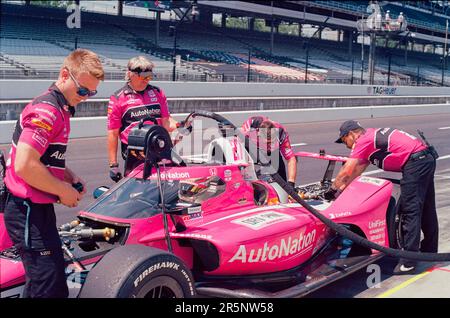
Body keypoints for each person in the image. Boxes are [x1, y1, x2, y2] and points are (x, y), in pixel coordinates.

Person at [3, 49, 104, 297]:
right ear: (64, 75)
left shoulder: (60, 107)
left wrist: (67, 175)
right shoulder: (48, 111)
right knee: (47, 285)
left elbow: (42, 157)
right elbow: (25, 165)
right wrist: (64, 191)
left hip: (36, 209)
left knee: (52, 282)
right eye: (82, 90)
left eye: (92, 92)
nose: (86, 97)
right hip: (26, 209)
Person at [326, 120, 438, 275]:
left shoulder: (363, 140)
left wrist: (332, 190)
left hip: (415, 163)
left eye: (344, 140)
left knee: (410, 211)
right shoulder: (371, 138)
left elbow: (346, 171)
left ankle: (409, 261)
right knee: (426, 207)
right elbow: (356, 171)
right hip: (424, 159)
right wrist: (341, 191)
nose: (346, 145)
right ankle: (430, 251)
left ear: (352, 134)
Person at [107, 56, 181, 182]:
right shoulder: (118, 98)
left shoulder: (158, 93)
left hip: (159, 147)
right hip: (135, 153)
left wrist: (180, 127)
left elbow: (166, 122)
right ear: (131, 74)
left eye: (150, 76)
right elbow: (113, 133)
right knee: (140, 188)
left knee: (171, 184)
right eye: (144, 76)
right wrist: (113, 164)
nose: (147, 80)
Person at [241, 116, 297, 187]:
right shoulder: (249, 128)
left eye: (272, 142)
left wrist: (291, 183)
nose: (269, 145)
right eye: (267, 143)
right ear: (259, 135)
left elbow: (291, 159)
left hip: (273, 152)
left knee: (281, 178)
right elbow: (238, 145)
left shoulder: (281, 133)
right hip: (252, 147)